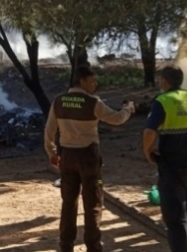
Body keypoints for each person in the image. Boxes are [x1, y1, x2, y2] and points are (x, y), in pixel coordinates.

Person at [44, 66, 136, 252]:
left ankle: (65, 246)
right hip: (88, 157)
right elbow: (117, 119)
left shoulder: (59, 101)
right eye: (92, 81)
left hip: (67, 157)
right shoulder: (93, 102)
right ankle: (93, 247)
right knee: (93, 203)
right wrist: (128, 109)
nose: (95, 84)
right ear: (82, 81)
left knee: (68, 203)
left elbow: (49, 131)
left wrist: (52, 153)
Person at [142, 65, 187, 252]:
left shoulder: (163, 101)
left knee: (176, 220)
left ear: (164, 81)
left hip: (172, 167)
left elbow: (149, 131)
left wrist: (147, 151)